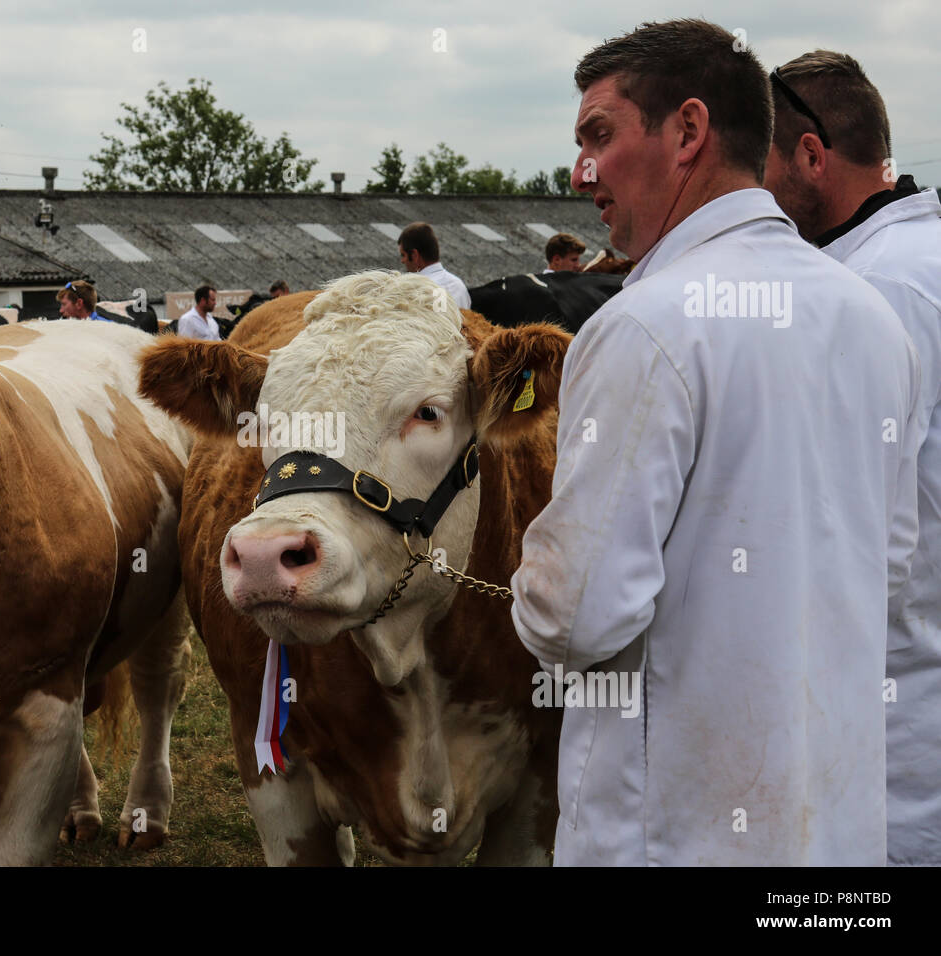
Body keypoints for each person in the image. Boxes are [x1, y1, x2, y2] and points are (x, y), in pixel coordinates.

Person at [509, 19, 920, 865]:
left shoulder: (643, 328)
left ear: (689, 131)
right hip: (835, 832)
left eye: (599, 135)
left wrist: (526, 586)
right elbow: (891, 561)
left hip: (672, 827)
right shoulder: (870, 316)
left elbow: (578, 613)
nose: (581, 172)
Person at [765, 50, 941, 867]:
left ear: (810, 156)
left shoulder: (871, 292)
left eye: (761, 165)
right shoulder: (919, 262)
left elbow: (859, 545)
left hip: (896, 719)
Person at [397, 222, 471, 309]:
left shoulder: (416, 290)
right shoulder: (459, 285)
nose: (402, 261)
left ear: (414, 255)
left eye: (403, 255)